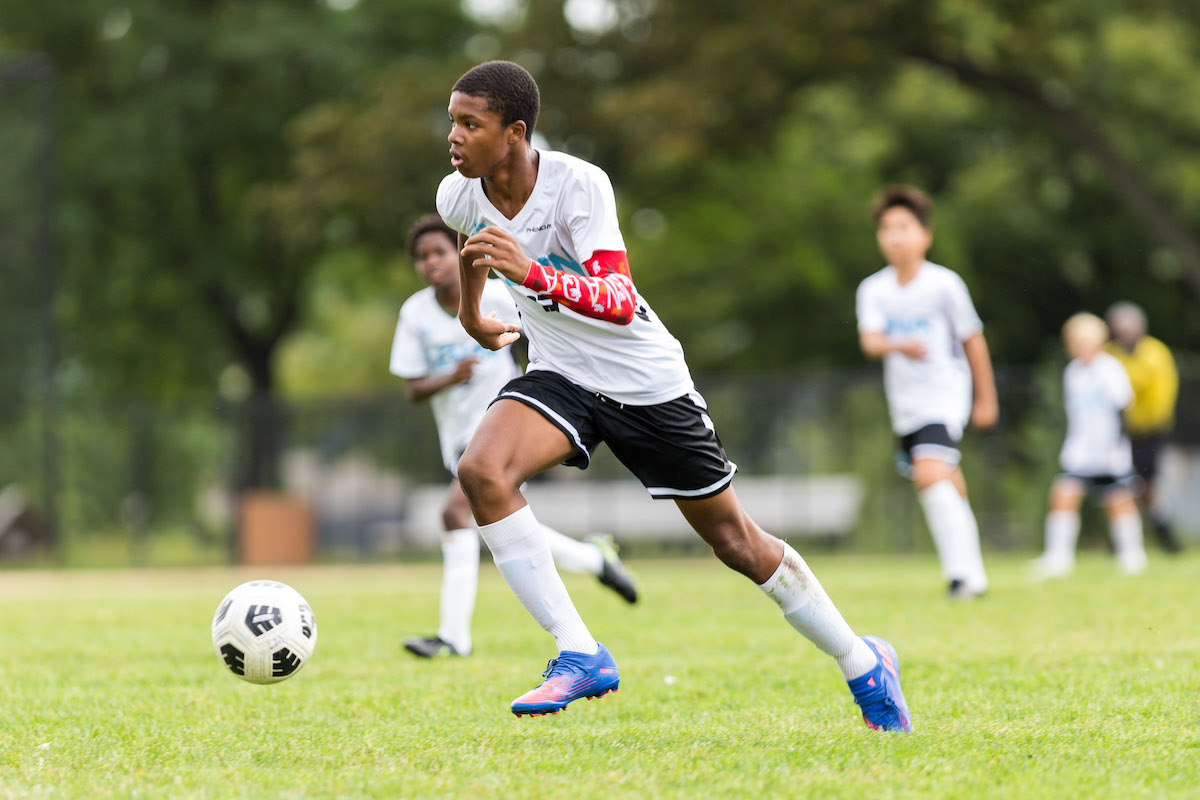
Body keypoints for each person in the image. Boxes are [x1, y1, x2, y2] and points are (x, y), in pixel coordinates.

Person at [438, 60, 910, 731]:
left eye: (469, 123)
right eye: (451, 120)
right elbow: (471, 244)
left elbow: (621, 302)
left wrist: (533, 274)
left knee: (737, 543)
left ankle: (863, 663)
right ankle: (579, 652)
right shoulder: (457, 193)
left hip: (646, 385)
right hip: (561, 376)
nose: (452, 136)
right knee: (481, 472)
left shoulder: (578, 185)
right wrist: (472, 315)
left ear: (514, 132)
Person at [389, 213, 638, 659]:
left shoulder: (498, 296)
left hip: (498, 429)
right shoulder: (415, 313)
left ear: (460, 252)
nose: (431, 263)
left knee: (453, 514)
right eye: (422, 257)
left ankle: (453, 639)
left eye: (440, 251)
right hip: (455, 440)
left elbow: (541, 339)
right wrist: (449, 377)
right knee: (504, 526)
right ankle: (595, 559)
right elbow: (412, 389)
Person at [855, 185, 997, 600]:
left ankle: (960, 577)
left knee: (929, 474)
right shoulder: (874, 289)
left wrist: (986, 399)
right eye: (886, 228)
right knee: (946, 480)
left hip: (945, 393)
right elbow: (870, 342)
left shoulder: (944, 284)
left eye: (904, 227)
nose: (894, 236)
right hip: (906, 404)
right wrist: (898, 345)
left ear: (925, 235)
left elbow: (973, 340)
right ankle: (975, 573)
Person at [1033, 313, 1147, 578]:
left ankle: (1133, 556)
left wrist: (1117, 445)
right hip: (1080, 450)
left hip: (1108, 449)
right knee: (1063, 493)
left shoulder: (1109, 369)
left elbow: (1122, 408)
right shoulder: (1073, 372)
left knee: (1117, 500)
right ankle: (1058, 558)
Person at [1104, 301, 1181, 553]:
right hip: (1119, 432)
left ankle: (1163, 539)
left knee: (1147, 488)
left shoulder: (1155, 353)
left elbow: (1160, 397)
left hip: (1148, 431)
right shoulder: (1111, 354)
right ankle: (1124, 541)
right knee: (1125, 487)